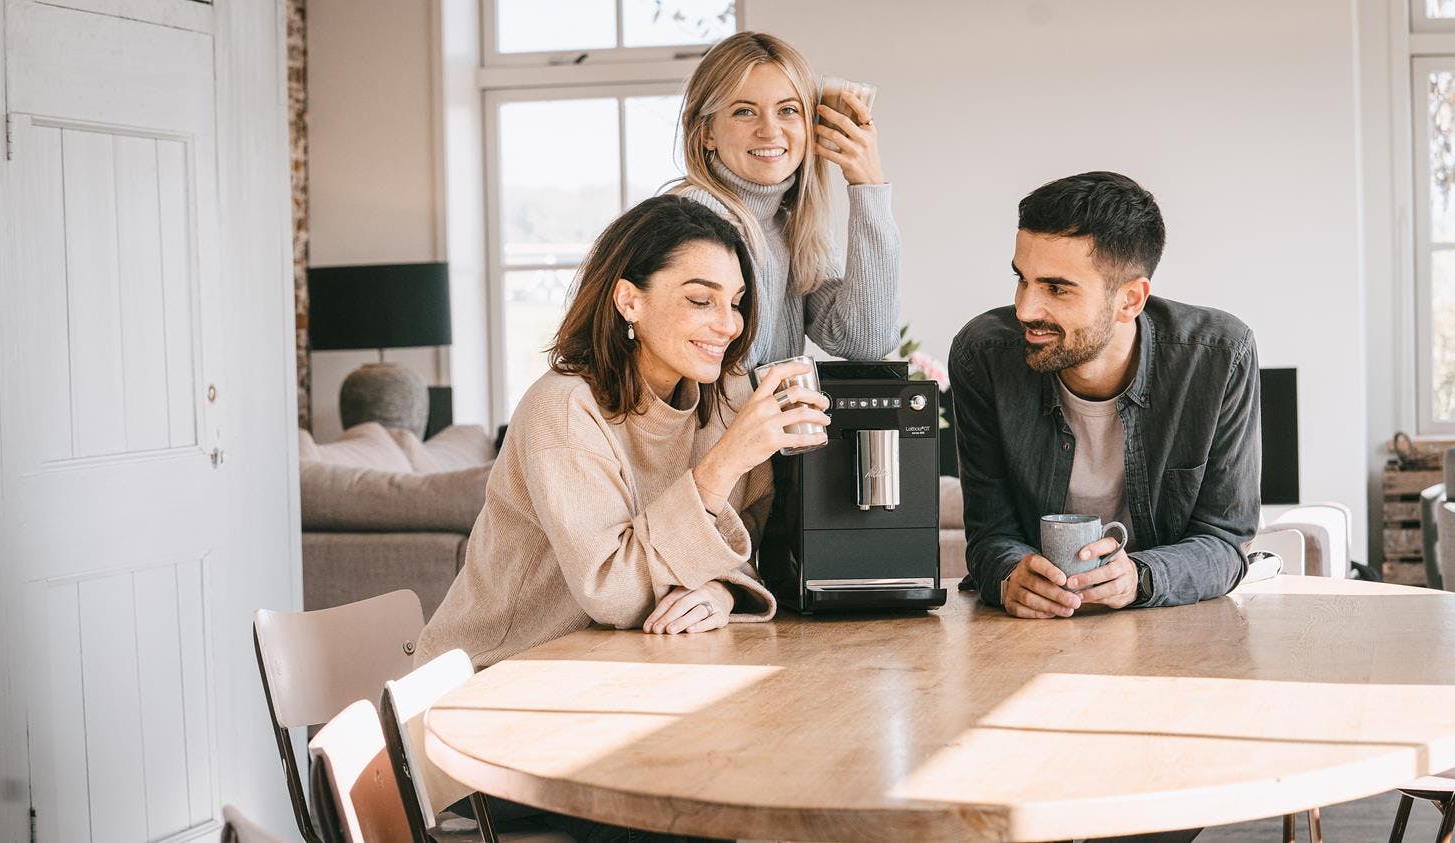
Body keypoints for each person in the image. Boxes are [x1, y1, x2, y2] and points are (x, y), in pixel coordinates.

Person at [415, 194, 830, 842]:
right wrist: (723, 464)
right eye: (701, 298)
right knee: (691, 810)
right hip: (494, 714)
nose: (727, 322)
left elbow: (744, 542)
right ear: (628, 299)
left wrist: (719, 589)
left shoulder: (719, 399)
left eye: (737, 300)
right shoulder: (565, 408)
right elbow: (611, 587)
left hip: (610, 697)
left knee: (792, 762)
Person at [949, 171, 1260, 624]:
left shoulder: (1218, 357)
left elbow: (1225, 541)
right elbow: (989, 533)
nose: (1025, 309)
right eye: (1022, 279)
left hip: (1172, 624)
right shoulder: (984, 355)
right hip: (1032, 632)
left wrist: (1139, 577)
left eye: (1056, 288)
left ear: (1130, 300)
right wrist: (1009, 575)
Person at [671, 31, 899, 366]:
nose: (770, 130)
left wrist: (868, 187)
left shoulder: (791, 226)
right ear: (706, 133)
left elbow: (865, 340)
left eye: (788, 110)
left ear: (810, 125)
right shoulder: (696, 222)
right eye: (744, 112)